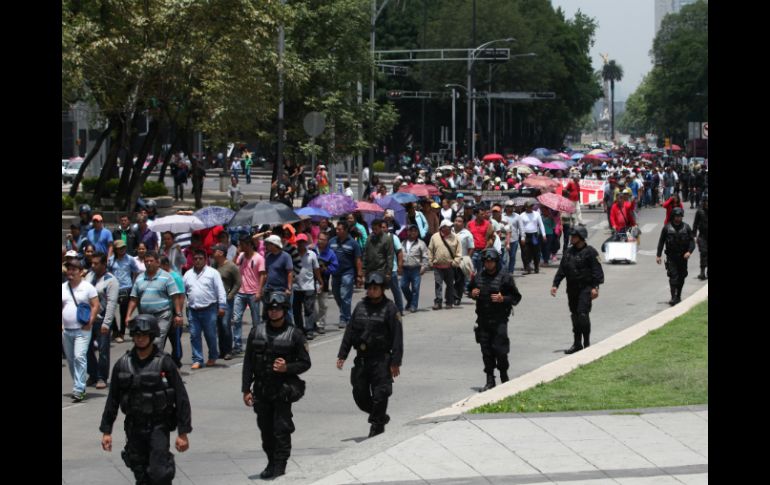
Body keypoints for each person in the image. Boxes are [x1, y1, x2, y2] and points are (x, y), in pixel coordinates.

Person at [99, 314, 192, 485]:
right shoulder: (123, 364)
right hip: (134, 427)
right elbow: (112, 399)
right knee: (141, 473)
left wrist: (183, 432)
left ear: (152, 336)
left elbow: (181, 398)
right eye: (136, 335)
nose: (140, 339)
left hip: (158, 426)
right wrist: (107, 431)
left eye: (143, 335)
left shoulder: (165, 363)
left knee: (159, 473)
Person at [242, 293, 311, 480]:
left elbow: (305, 363)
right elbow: (248, 362)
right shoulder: (256, 331)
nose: (274, 312)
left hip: (282, 390)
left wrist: (286, 367)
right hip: (261, 390)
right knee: (266, 431)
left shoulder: (295, 334)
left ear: (284, 310)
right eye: (271, 309)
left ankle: (280, 466)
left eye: (277, 308)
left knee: (281, 429)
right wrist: (246, 389)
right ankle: (271, 462)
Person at [336, 272, 403, 438]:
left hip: (381, 360)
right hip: (362, 359)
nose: (372, 291)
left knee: (381, 395)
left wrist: (396, 361)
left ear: (382, 290)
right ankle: (380, 416)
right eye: (370, 288)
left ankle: (376, 426)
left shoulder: (390, 309)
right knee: (359, 395)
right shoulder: (360, 307)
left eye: (375, 288)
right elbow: (350, 332)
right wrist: (342, 354)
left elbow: (397, 337)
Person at [468, 248, 522, 391]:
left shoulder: (505, 277)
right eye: (486, 261)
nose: (488, 264)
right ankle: (490, 380)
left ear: (496, 262)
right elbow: (469, 290)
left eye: (491, 261)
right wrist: (472, 293)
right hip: (483, 321)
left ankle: (504, 375)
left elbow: (516, 297)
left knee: (501, 351)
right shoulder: (479, 276)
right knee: (486, 352)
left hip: (499, 321)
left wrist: (503, 298)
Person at [550, 227, 604, 354]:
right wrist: (555, 284)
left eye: (574, 236)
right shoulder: (568, 252)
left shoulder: (591, 252)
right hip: (572, 289)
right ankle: (577, 343)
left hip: (586, 289)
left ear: (580, 237)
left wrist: (595, 287)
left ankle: (587, 343)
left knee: (583, 315)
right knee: (575, 316)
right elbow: (562, 270)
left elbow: (597, 271)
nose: (571, 238)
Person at [125, 251, 185, 356]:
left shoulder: (167, 277)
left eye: (151, 261)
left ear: (157, 262)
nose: (148, 263)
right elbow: (134, 299)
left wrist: (178, 314)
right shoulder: (139, 278)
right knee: (145, 341)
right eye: (146, 261)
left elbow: (175, 296)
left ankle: (156, 365)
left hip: (163, 315)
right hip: (145, 316)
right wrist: (128, 315)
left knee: (157, 340)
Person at [62, 258, 100, 402]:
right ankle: (79, 386)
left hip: (82, 329)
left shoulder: (88, 287)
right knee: (71, 360)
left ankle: (79, 389)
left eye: (73, 269)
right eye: (68, 269)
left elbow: (95, 305)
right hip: (67, 330)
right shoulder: (63, 287)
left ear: (81, 272)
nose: (70, 272)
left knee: (79, 357)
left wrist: (90, 321)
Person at [183, 249, 227, 370]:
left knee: (211, 335)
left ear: (205, 259)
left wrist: (222, 306)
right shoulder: (187, 274)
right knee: (194, 335)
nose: (197, 261)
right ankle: (197, 359)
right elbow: (183, 292)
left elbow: (220, 290)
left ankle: (212, 356)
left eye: (200, 258)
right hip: (193, 310)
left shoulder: (213, 273)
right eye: (195, 258)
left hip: (209, 309)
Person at [85, 252, 120, 390]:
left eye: (96, 263)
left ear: (104, 264)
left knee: (103, 349)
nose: (93, 266)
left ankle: (101, 377)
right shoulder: (89, 276)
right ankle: (92, 374)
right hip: (88, 318)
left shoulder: (111, 280)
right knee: (86, 348)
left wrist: (107, 323)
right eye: (92, 263)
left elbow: (111, 303)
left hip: (102, 319)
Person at [233, 234, 267, 355]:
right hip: (240, 292)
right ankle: (237, 345)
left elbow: (263, 274)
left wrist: (259, 291)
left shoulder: (258, 258)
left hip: (253, 293)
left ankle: (257, 342)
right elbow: (233, 266)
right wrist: (237, 253)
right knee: (236, 319)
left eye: (241, 245)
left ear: (248, 245)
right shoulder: (241, 256)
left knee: (256, 320)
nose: (240, 247)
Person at [656, 207, 695, 306]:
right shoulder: (667, 228)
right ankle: (673, 297)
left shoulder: (686, 227)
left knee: (682, 276)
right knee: (673, 276)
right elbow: (661, 242)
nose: (678, 218)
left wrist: (689, 252)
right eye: (676, 216)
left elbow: (692, 242)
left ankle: (678, 295)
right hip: (671, 257)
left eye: (680, 216)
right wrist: (658, 255)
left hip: (683, 257)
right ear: (673, 216)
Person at [330, 221, 364, 329]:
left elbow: (358, 260)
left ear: (345, 230)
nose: (337, 231)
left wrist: (359, 275)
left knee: (345, 296)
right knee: (336, 294)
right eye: (337, 229)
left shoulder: (353, 243)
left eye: (340, 229)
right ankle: (345, 313)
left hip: (347, 273)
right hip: (335, 273)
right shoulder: (332, 241)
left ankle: (345, 318)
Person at [211, 244, 241, 360]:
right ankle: (222, 350)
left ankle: (228, 350)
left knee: (225, 324)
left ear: (221, 253)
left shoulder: (231, 266)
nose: (213, 253)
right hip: (215, 299)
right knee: (218, 325)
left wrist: (230, 295)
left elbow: (238, 282)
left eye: (215, 251)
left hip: (226, 300)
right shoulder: (213, 266)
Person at [108, 239, 140, 342]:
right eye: (120, 248)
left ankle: (121, 333)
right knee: (110, 311)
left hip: (126, 287)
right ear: (116, 249)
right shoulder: (111, 260)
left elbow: (136, 271)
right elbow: (108, 272)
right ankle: (115, 331)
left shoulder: (130, 259)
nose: (122, 250)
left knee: (123, 312)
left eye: (123, 247)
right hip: (113, 288)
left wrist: (133, 284)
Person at [293, 234, 323, 340]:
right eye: (299, 242)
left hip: (309, 286)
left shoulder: (312, 254)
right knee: (296, 310)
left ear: (305, 243)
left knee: (308, 309)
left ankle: (309, 330)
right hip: (296, 287)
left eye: (302, 242)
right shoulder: (293, 254)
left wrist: (320, 281)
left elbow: (316, 269)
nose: (300, 244)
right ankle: (300, 329)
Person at [428, 219, 462, 310]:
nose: (450, 228)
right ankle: (438, 302)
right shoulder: (434, 237)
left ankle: (449, 302)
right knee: (438, 284)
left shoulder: (455, 237)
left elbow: (459, 252)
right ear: (442, 228)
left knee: (450, 285)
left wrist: (455, 262)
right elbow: (430, 250)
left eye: (451, 227)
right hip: (437, 266)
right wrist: (430, 261)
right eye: (448, 227)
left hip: (450, 266)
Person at [400, 225, 429, 313]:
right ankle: (410, 300)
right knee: (403, 286)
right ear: (407, 232)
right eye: (410, 230)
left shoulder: (421, 243)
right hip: (405, 268)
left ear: (417, 233)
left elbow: (425, 256)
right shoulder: (403, 243)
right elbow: (399, 255)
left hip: (416, 269)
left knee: (415, 288)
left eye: (415, 231)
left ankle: (413, 305)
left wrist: (424, 267)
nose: (412, 232)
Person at [520, 201, 546, 274]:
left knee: (536, 252)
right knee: (525, 252)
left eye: (531, 206)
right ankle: (527, 267)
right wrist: (522, 237)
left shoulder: (537, 214)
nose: (531, 208)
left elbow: (541, 224)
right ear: (526, 207)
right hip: (525, 235)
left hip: (534, 235)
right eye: (529, 206)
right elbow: (521, 227)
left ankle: (536, 266)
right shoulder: (522, 215)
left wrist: (543, 234)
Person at [693, 195, 708, 280]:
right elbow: (695, 224)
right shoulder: (699, 212)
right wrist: (694, 236)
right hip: (702, 236)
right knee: (703, 253)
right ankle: (702, 272)